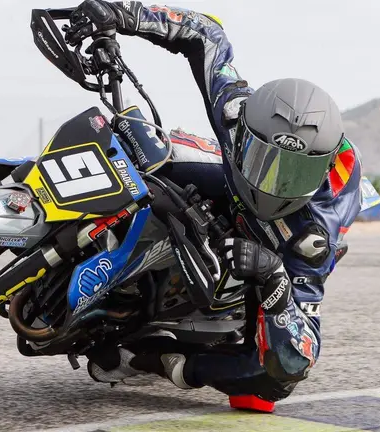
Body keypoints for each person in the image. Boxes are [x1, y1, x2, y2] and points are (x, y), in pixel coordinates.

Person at [64, 1, 364, 409]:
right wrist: (123, 14)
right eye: (264, 162)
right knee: (147, 158)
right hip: (226, 176)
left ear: (322, 170)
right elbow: (207, 35)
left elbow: (303, 351)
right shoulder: (237, 111)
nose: (274, 185)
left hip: (273, 253)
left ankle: (157, 360)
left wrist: (274, 277)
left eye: (294, 175)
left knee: (272, 384)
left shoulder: (315, 234)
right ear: (245, 133)